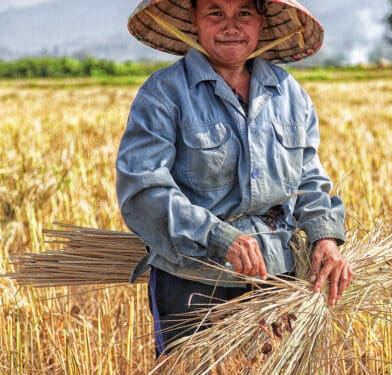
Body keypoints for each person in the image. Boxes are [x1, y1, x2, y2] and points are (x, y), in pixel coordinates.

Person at [117, 0, 352, 357]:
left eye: (244, 13)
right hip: (194, 280)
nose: (231, 26)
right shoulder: (164, 93)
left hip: (277, 276)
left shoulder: (288, 94)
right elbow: (142, 188)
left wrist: (326, 237)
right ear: (194, 21)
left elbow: (309, 178)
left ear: (261, 22)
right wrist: (217, 236)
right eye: (215, 12)